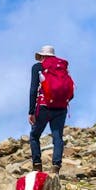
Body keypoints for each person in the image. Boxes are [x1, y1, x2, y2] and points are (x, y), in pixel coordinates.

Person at [28, 45, 74, 174]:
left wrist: (31, 112)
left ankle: (37, 166)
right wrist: (61, 102)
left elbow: (33, 90)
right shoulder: (63, 67)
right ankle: (56, 167)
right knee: (57, 137)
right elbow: (71, 92)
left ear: (42, 56)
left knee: (34, 135)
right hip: (61, 108)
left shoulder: (38, 67)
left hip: (44, 107)